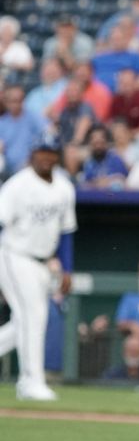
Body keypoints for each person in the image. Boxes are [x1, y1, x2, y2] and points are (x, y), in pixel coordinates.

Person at [0, 139, 75, 401]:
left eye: (52, 152)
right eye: (42, 152)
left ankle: (31, 380)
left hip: (43, 262)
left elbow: (66, 232)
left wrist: (67, 269)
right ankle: (31, 382)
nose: (47, 157)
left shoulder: (64, 187)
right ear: (33, 154)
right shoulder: (18, 185)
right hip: (14, 254)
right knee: (35, 316)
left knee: (24, 322)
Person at [0, 86, 48, 174]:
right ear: (6, 102)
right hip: (7, 168)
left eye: (20, 100)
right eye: (14, 101)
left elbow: (48, 133)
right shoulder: (2, 122)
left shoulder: (33, 117)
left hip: (30, 165)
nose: (17, 104)